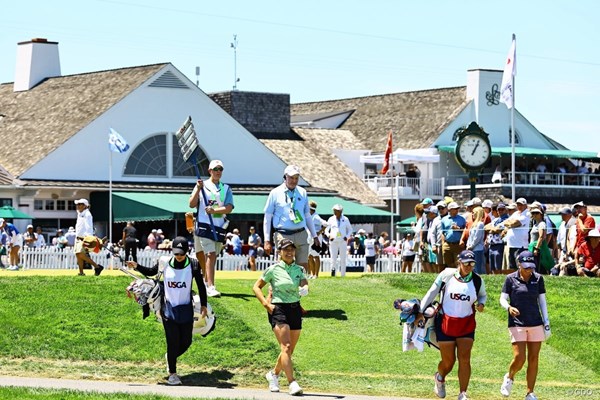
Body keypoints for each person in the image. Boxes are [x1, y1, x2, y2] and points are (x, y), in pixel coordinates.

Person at [127, 236, 208, 386]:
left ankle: (170, 357)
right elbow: (151, 272)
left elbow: (201, 286)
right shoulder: (164, 262)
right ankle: (172, 374)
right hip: (168, 309)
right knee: (172, 342)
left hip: (186, 309)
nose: (178, 257)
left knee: (186, 341)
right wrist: (136, 266)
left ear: (187, 252)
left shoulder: (194, 265)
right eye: (176, 253)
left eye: (181, 254)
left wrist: (204, 305)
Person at [415, 250, 487, 400]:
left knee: (465, 358)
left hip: (466, 324)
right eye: (466, 263)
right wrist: (419, 312)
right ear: (459, 262)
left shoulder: (477, 280)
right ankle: (440, 377)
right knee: (449, 362)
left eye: (472, 263)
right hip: (445, 323)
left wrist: (481, 303)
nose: (469, 266)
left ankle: (463, 393)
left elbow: (482, 295)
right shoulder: (446, 275)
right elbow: (431, 293)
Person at [252, 239, 308, 396]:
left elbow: (304, 282)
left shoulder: (299, 269)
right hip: (278, 309)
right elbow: (256, 287)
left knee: (289, 350)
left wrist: (305, 288)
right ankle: (292, 383)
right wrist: (266, 304)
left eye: (292, 249)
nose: (289, 252)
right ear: (280, 252)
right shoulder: (273, 269)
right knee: (286, 347)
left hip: (295, 309)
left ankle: (273, 374)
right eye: (286, 249)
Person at [499, 251, 551, 400]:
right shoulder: (510, 279)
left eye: (531, 267)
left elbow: (542, 302)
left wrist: (546, 322)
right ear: (519, 265)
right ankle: (509, 377)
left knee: (534, 358)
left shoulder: (539, 279)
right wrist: (508, 307)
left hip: (536, 322)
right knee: (520, 358)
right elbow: (502, 299)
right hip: (517, 323)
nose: (529, 270)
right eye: (526, 267)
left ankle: (530, 393)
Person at [189, 159, 234, 297]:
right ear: (209, 171)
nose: (218, 172)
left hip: (218, 226)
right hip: (203, 224)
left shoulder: (226, 188)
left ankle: (206, 280)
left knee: (210, 254)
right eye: (215, 169)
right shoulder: (201, 185)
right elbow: (191, 204)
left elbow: (229, 207)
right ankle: (210, 285)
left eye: (220, 169)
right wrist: (197, 189)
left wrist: (215, 211)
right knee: (208, 254)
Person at [263, 165, 319, 276]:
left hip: (301, 233)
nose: (294, 181)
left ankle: (300, 291)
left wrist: (315, 235)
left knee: (303, 266)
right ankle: (280, 291)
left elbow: (307, 215)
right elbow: (267, 217)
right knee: (283, 266)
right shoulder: (275, 192)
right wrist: (267, 240)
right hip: (283, 234)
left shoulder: (302, 192)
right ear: (285, 177)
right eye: (291, 177)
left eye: (296, 178)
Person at [74, 198, 104, 276]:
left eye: (80, 204)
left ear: (85, 206)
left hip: (83, 238)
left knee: (80, 253)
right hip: (78, 237)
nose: (78, 206)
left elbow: (89, 226)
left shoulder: (87, 214)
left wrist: (88, 238)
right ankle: (81, 272)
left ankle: (97, 266)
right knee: (78, 255)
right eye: (77, 204)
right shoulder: (80, 213)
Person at [502, 198, 531, 271]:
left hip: (521, 245)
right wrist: (511, 223)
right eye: (518, 204)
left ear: (525, 205)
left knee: (520, 264)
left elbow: (515, 223)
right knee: (512, 265)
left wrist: (511, 223)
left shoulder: (527, 213)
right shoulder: (515, 213)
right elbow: (505, 222)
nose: (519, 206)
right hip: (512, 244)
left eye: (521, 205)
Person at [325, 204, 353, 277]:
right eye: (334, 210)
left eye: (336, 211)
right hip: (333, 241)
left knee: (343, 258)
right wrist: (329, 235)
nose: (335, 212)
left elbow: (350, 230)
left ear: (340, 211)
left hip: (342, 241)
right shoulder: (331, 219)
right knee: (333, 258)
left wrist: (346, 237)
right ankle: (333, 273)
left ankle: (343, 275)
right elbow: (326, 230)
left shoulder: (345, 219)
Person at [440, 202, 466, 269]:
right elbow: (443, 232)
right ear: (449, 210)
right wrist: (443, 244)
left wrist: (458, 229)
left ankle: (458, 278)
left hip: (458, 245)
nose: (457, 210)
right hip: (447, 245)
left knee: (458, 263)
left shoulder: (462, 219)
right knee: (449, 265)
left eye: (457, 208)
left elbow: (465, 232)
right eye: (455, 209)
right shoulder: (444, 220)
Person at [307, 200, 327, 279]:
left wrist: (319, 232)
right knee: (310, 256)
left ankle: (316, 275)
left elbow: (325, 224)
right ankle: (312, 274)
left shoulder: (316, 217)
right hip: (310, 237)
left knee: (316, 256)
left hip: (316, 238)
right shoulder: (309, 216)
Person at [465, 206, 486, 275]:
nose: (472, 214)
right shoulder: (474, 224)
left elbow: (477, 237)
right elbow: (470, 236)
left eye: (474, 213)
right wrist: (468, 245)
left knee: (477, 268)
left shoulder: (480, 224)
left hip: (477, 249)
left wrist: (471, 246)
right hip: (471, 248)